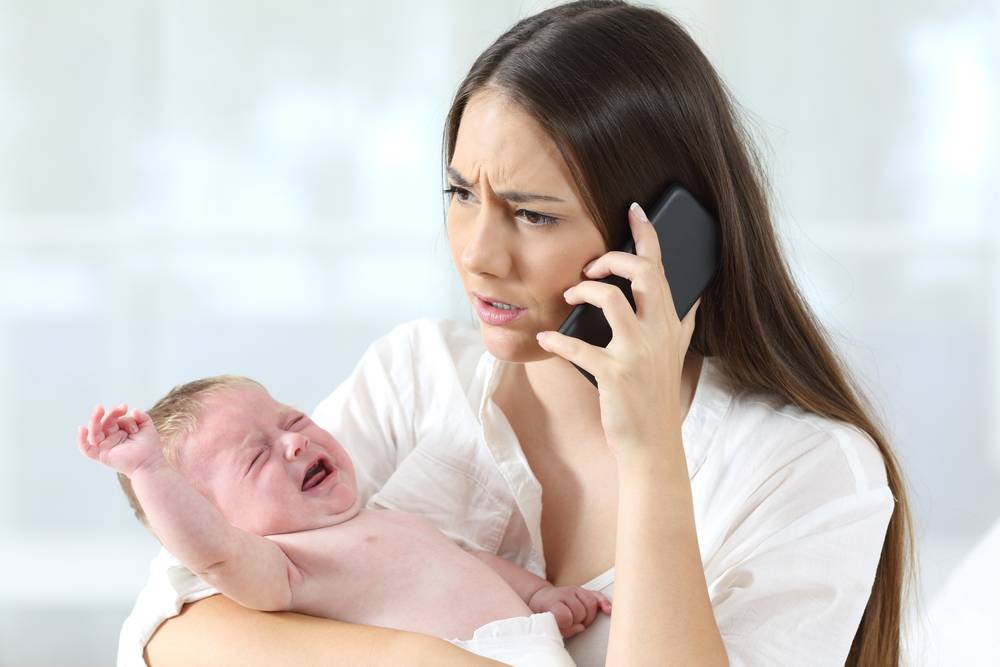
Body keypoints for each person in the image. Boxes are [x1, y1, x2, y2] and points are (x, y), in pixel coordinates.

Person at [129, 1, 916, 665]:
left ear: (670, 237)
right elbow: (166, 629)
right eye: (461, 192)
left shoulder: (810, 471)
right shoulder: (417, 374)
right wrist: (426, 658)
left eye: (532, 214)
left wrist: (650, 454)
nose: (476, 253)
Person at [79, 378, 612, 666]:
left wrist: (538, 596)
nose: (293, 442)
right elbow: (212, 554)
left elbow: (468, 561)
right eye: (256, 458)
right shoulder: (286, 566)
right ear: (220, 522)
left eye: (292, 420)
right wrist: (147, 468)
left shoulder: (381, 518)